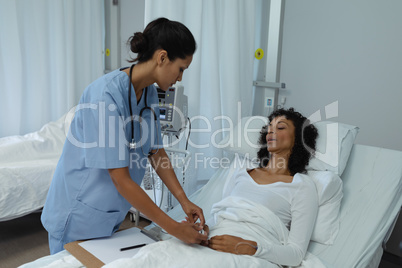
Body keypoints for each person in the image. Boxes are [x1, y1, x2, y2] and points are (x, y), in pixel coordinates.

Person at [41, 17, 207, 254]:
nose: (180, 78)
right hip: (77, 214)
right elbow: (119, 177)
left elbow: (155, 151)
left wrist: (184, 201)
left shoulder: (149, 92)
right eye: (181, 69)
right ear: (162, 57)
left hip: (106, 215)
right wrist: (173, 228)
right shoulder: (105, 95)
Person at [203, 108, 319, 266]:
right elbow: (220, 215)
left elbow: (296, 254)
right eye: (270, 128)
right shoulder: (241, 173)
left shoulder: (302, 186)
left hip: (252, 255)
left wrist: (249, 248)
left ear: (298, 139)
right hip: (213, 241)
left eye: (280, 127)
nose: (271, 132)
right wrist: (202, 230)